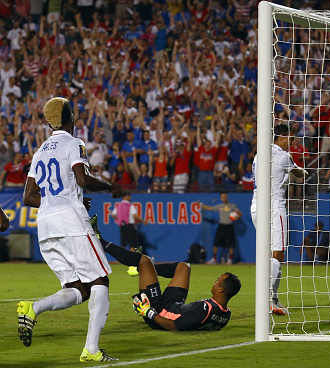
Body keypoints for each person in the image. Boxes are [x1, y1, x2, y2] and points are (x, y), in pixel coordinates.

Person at [18, 97, 123, 362]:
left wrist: (62, 199)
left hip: (45, 227)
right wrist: (112, 187)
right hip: (71, 222)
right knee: (100, 280)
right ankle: (92, 350)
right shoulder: (74, 143)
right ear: (71, 118)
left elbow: (29, 197)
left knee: (79, 288)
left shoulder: (40, 150)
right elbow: (83, 178)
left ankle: (34, 308)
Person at [90, 215, 241, 331]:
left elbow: (175, 326)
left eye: (217, 280)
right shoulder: (225, 314)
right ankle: (141, 270)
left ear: (221, 289)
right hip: (173, 305)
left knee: (144, 260)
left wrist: (148, 312)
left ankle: (100, 241)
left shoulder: (206, 309)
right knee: (184, 267)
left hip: (159, 310)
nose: (214, 282)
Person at [251, 124, 308, 315]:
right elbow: (298, 174)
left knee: (271, 256)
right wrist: (304, 172)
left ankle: (273, 298)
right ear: (282, 137)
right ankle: (267, 299)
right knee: (278, 254)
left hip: (256, 206)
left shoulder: (259, 155)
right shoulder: (283, 156)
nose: (291, 143)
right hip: (274, 207)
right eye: (290, 139)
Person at [111, 192, 147, 275]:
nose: (130, 197)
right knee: (132, 245)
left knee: (123, 244)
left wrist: (119, 218)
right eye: (129, 196)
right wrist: (142, 221)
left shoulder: (118, 206)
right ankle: (132, 262)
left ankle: (122, 260)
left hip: (122, 226)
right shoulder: (130, 205)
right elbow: (135, 216)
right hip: (130, 226)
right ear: (126, 196)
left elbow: (113, 214)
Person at [201, 192, 242, 265]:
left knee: (231, 244)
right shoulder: (220, 206)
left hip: (229, 226)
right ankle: (214, 259)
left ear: (227, 197)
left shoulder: (232, 206)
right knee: (216, 242)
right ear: (221, 198)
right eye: (223, 197)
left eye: (225, 196)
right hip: (221, 226)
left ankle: (230, 259)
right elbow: (210, 208)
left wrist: (237, 216)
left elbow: (240, 213)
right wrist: (201, 205)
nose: (224, 198)